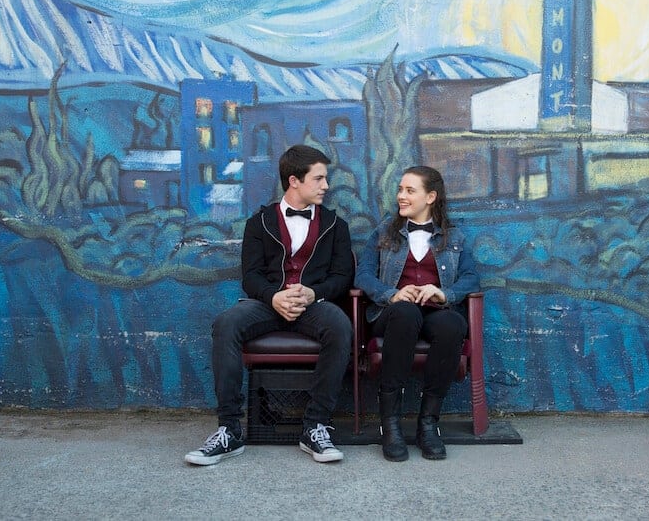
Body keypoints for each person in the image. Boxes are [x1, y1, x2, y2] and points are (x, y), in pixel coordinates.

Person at [185, 145, 354, 465]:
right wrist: (273, 297)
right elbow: (250, 276)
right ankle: (230, 430)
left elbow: (342, 276)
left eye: (325, 179)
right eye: (318, 179)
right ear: (294, 180)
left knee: (340, 325)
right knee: (226, 323)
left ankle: (315, 426)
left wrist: (313, 293)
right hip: (266, 304)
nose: (326, 186)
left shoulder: (335, 226)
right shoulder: (259, 223)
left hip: (313, 306)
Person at [354, 165, 479, 461]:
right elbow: (363, 275)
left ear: (431, 197)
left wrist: (443, 293)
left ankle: (428, 422)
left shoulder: (454, 236)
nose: (401, 196)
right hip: (393, 315)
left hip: (435, 313)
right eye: (400, 190)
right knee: (406, 313)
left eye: (410, 191)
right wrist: (392, 294)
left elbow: (471, 278)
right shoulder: (384, 233)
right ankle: (391, 423)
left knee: (452, 323)